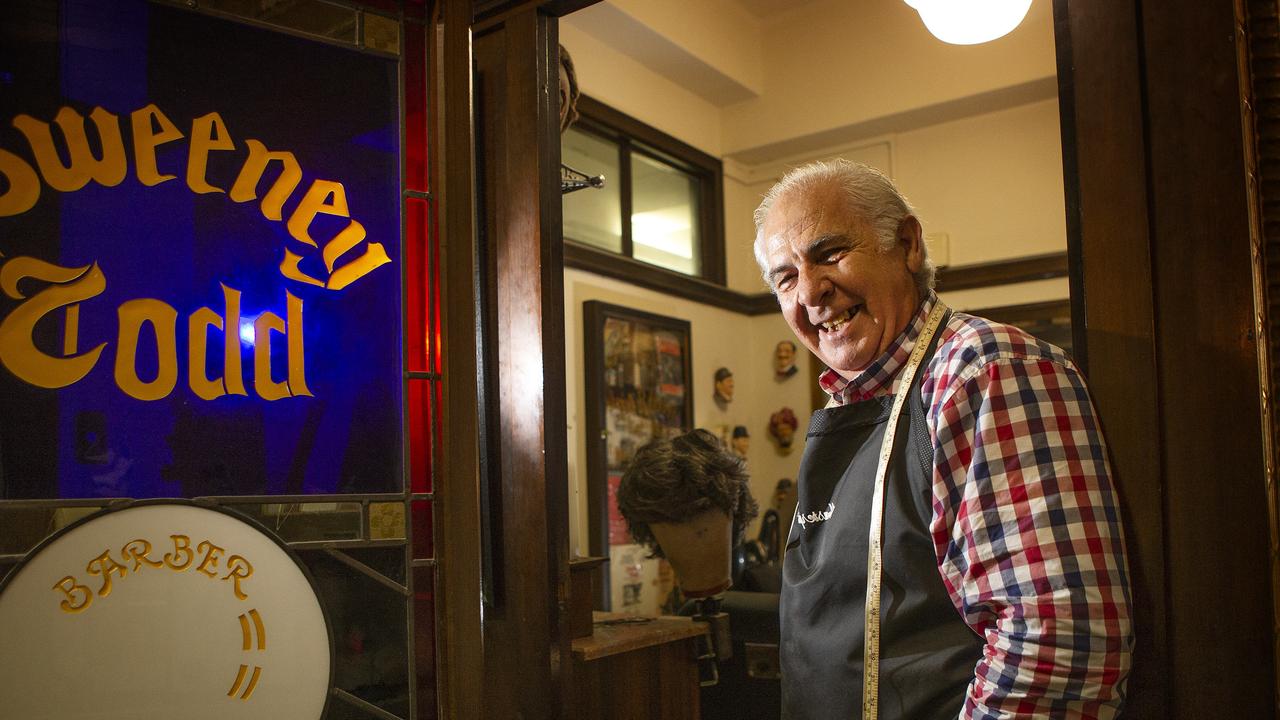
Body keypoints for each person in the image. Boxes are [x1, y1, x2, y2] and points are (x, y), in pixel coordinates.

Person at [753, 159, 1132, 720]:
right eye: (786, 277)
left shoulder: (984, 367)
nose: (810, 292)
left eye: (830, 253)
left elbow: (1057, 638)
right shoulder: (848, 402)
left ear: (907, 244)